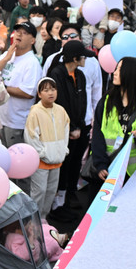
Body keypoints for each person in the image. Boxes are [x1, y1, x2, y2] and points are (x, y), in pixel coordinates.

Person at [46, 41, 89, 208]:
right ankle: (59, 203)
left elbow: (82, 101)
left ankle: (70, 196)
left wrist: (80, 126)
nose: (85, 59)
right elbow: (60, 103)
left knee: (75, 163)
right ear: (75, 58)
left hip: (79, 128)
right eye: (83, 56)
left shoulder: (80, 75)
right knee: (63, 166)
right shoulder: (57, 74)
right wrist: (70, 128)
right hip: (62, 131)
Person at [88, 57, 136, 181]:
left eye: (120, 69)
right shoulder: (107, 101)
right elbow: (97, 134)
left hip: (134, 173)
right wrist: (100, 164)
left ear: (131, 73)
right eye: (116, 68)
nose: (115, 73)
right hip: (107, 168)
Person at [24, 78, 70, 218]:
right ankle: (33, 220)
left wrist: (63, 149)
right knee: (39, 192)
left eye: (53, 89)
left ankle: (43, 218)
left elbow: (66, 131)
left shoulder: (61, 110)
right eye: (46, 90)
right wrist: (42, 153)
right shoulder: (35, 112)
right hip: (41, 162)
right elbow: (31, 136)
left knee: (50, 191)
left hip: (57, 160)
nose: (50, 93)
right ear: (39, 94)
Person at [0, 22, 42, 150]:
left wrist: (3, 88)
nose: (19, 34)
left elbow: (28, 93)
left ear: (32, 40)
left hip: (17, 122)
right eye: (17, 31)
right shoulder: (6, 55)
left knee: (15, 158)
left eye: (24, 33)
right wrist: (6, 58)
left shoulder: (31, 63)